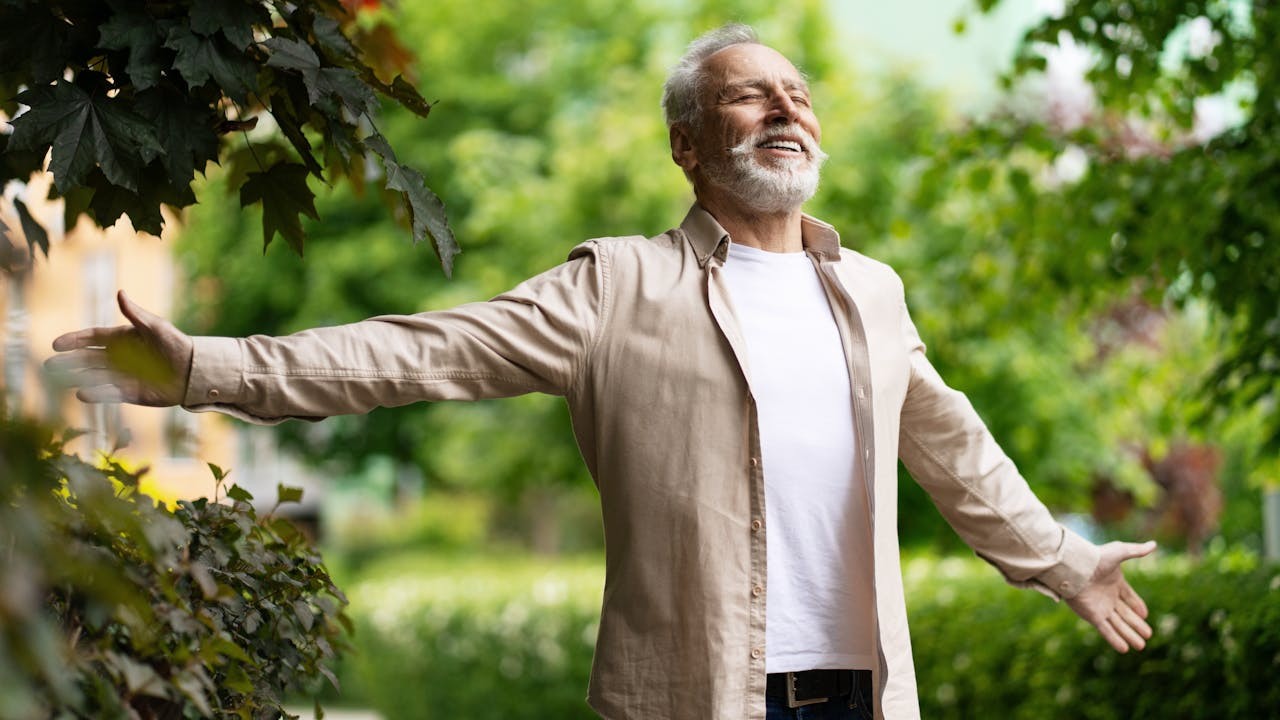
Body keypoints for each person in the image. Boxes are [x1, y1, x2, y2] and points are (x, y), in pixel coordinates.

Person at [47, 23, 1156, 720]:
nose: (783, 109)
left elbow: (954, 450)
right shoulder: (616, 287)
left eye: (797, 95)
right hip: (692, 694)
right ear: (685, 143)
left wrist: (1062, 563)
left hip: (862, 693)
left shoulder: (867, 289)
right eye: (748, 94)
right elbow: (422, 352)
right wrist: (205, 369)